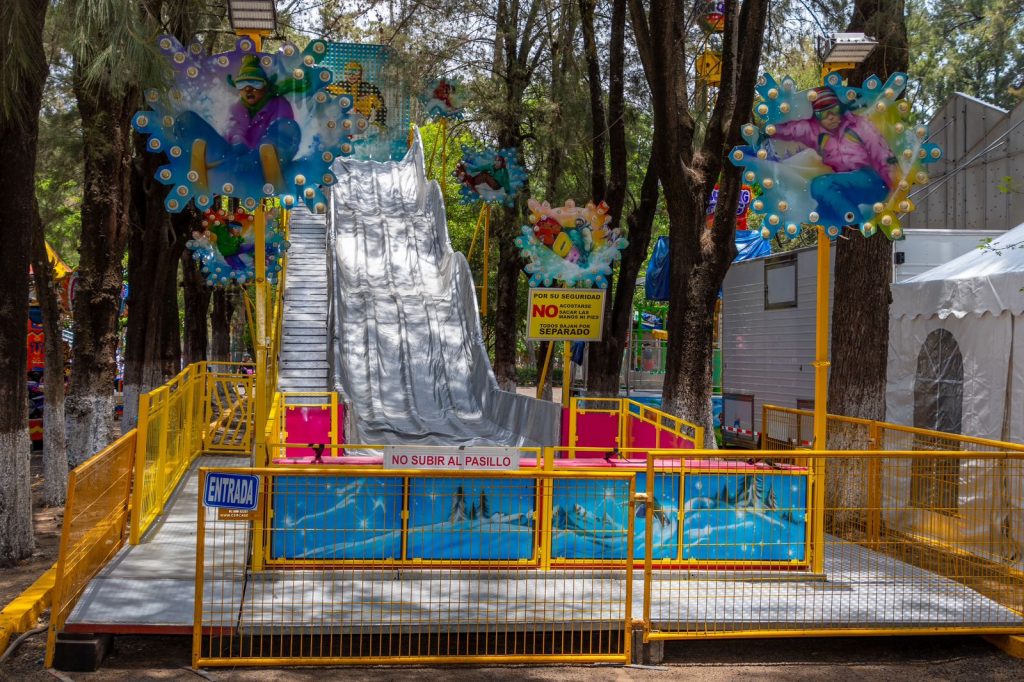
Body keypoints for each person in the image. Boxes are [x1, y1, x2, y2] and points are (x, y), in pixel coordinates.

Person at [178, 54, 303, 193]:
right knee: (188, 120)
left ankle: (267, 173)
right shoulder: (237, 107)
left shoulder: (279, 104)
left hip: (265, 163)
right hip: (233, 160)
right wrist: (239, 145)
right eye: (242, 84)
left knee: (287, 127)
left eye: (255, 83)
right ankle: (200, 178)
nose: (248, 89)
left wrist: (254, 156)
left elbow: (284, 132)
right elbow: (234, 129)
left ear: (265, 86)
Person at [772, 87, 895, 227]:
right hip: (847, 186)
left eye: (834, 110)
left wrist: (893, 188)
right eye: (823, 114)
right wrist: (768, 131)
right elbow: (792, 130)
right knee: (823, 211)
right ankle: (849, 227)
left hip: (872, 181)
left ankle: (857, 221)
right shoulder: (815, 131)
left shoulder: (858, 125)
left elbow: (881, 153)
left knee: (821, 185)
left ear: (840, 108)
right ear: (817, 116)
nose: (830, 117)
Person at [329, 61, 387, 127]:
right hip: (343, 123)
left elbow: (381, 107)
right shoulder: (339, 86)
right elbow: (324, 90)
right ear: (345, 74)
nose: (352, 75)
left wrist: (379, 123)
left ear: (360, 74)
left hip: (361, 123)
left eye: (355, 72)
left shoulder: (370, 89)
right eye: (349, 72)